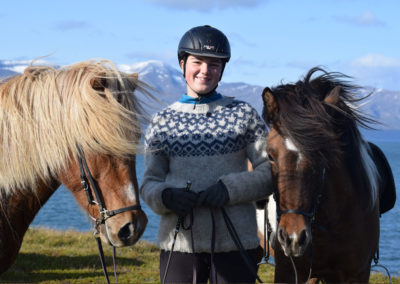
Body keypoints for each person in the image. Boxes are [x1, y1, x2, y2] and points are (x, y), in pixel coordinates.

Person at [140, 25, 273, 284]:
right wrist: (166, 196)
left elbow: (269, 172)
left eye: (214, 64)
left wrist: (230, 189)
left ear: (222, 69)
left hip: (236, 244)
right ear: (182, 64)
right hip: (178, 245)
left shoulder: (244, 114)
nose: (205, 70)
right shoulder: (161, 122)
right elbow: (149, 183)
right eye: (197, 62)